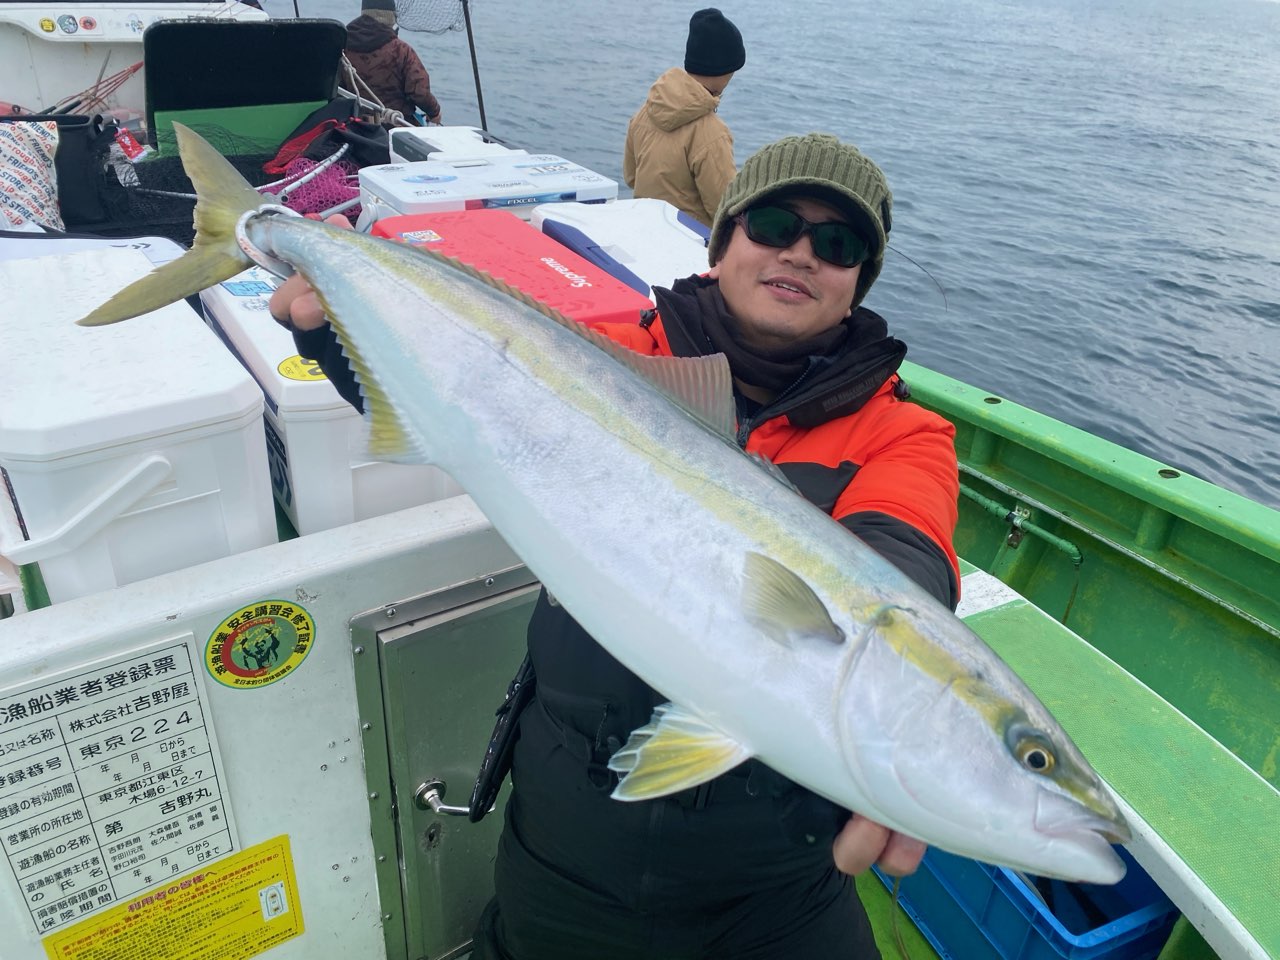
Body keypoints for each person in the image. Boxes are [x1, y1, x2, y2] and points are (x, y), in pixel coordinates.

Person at [269, 132, 960, 959]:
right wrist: (333, 332)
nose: (802, 254)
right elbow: (466, 408)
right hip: (568, 824)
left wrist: (901, 715)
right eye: (776, 225)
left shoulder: (903, 433)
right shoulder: (612, 359)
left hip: (777, 869)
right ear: (724, 242)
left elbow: (903, 568)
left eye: (839, 244)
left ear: (857, 285)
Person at [623, 8, 746, 228]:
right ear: (725, 70)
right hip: (690, 240)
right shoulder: (712, 132)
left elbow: (631, 177)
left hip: (643, 229)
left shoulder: (645, 112)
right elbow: (725, 208)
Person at [343, 0, 442, 125]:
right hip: (396, 122)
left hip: (355, 123)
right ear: (390, 18)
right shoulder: (401, 50)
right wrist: (434, 112)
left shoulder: (342, 47)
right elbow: (420, 93)